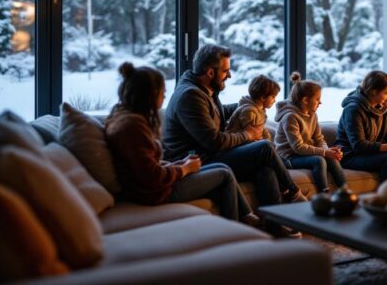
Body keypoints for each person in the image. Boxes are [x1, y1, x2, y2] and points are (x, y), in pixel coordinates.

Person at [161, 44, 306, 236]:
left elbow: (216, 114)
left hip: (210, 154)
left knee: (265, 168)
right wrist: (248, 135)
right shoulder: (190, 95)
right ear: (210, 72)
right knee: (263, 148)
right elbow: (215, 141)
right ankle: (294, 192)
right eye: (226, 71)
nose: (229, 75)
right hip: (197, 160)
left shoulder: (202, 88)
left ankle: (274, 224)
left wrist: (249, 104)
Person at [105, 62, 259, 227]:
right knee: (224, 174)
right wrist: (184, 169)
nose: (164, 97)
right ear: (149, 94)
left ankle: (244, 219)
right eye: (162, 92)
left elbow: (146, 164)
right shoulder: (132, 127)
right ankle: (236, 230)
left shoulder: (125, 118)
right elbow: (152, 177)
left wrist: (180, 164)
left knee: (222, 169)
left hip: (151, 186)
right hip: (152, 193)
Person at [335, 70, 387, 182]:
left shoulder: (385, 107)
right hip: (350, 155)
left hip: (372, 151)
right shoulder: (353, 109)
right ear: (373, 91)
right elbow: (359, 145)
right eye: (386, 92)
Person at [274, 72, 346, 193]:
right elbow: (298, 147)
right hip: (288, 157)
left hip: (304, 153)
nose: (320, 102)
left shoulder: (312, 115)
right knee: (319, 160)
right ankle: (324, 194)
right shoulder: (290, 117)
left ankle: (346, 192)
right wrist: (324, 152)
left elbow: (319, 138)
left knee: (332, 158)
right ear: (305, 100)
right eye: (317, 99)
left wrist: (328, 151)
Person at [226, 75, 279, 140]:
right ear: (263, 98)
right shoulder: (249, 112)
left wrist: (268, 139)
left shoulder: (260, 108)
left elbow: (260, 129)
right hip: (236, 144)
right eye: (273, 97)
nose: (274, 101)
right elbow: (252, 136)